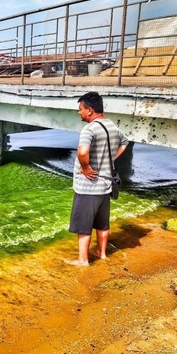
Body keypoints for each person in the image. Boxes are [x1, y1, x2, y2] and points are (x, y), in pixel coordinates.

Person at [65, 91, 129, 266]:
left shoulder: (89, 129)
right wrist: (111, 159)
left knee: (83, 225)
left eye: (81, 109)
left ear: (90, 110)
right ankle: (101, 253)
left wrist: (85, 167)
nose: (79, 112)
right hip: (105, 185)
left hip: (88, 186)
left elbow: (82, 151)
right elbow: (125, 142)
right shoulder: (112, 126)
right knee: (102, 223)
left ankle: (83, 260)